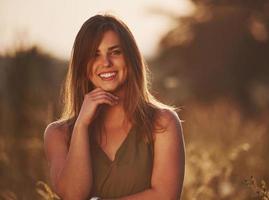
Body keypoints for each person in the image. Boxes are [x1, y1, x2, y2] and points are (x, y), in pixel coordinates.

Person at [43, 14, 185, 200]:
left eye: (115, 52)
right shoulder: (58, 134)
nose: (106, 63)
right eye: (94, 55)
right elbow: (72, 196)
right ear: (82, 66)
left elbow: (165, 196)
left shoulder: (163, 123)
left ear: (130, 58)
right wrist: (81, 125)